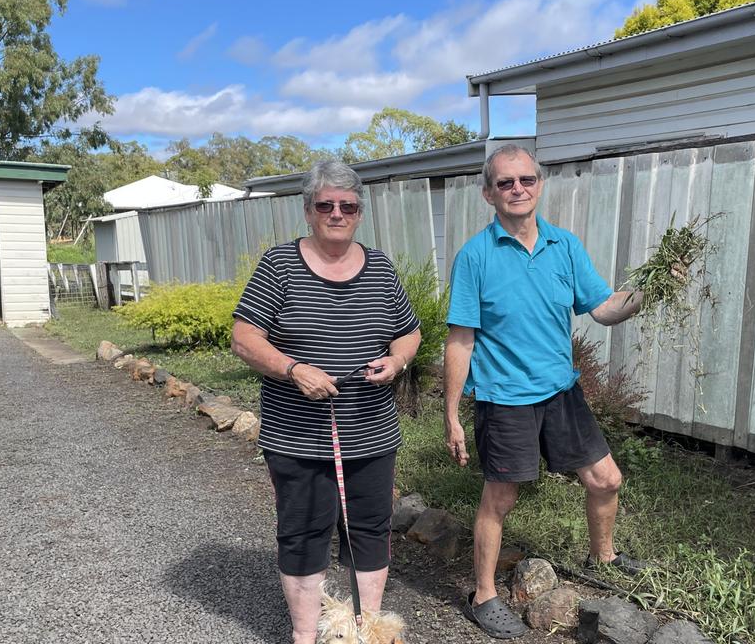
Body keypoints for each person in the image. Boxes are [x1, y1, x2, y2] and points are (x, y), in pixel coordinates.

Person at [443, 144, 646, 639]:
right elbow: (460, 339)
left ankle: (603, 556)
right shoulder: (476, 255)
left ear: (540, 184)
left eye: (526, 180)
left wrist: (648, 292)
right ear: (488, 192)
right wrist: (451, 413)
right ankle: (484, 595)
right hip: (504, 395)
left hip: (560, 391)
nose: (517, 189)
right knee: (501, 496)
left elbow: (603, 308)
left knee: (605, 479)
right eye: (506, 182)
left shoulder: (565, 246)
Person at [231, 160, 421, 644]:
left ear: (360, 212)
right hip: (296, 434)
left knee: (370, 531)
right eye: (326, 205)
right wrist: (294, 370)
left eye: (348, 205)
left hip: (372, 431)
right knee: (303, 533)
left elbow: (409, 332)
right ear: (308, 211)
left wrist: (396, 363)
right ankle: (305, 635)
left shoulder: (379, 266)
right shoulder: (279, 265)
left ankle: (364, 630)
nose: (337, 213)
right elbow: (244, 338)